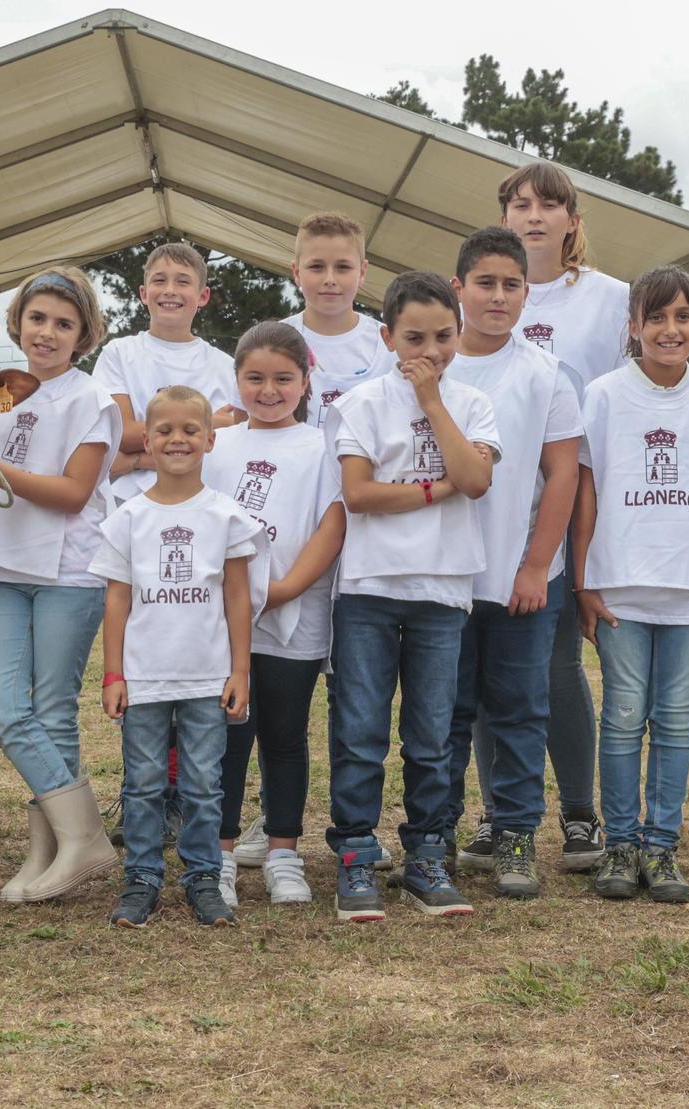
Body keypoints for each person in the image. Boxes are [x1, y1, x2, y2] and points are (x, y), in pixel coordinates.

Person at [327, 272, 498, 922]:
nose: (430, 349)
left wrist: (432, 401)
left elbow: (476, 477)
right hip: (369, 589)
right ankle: (355, 855)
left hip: (443, 588)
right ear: (387, 336)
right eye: (414, 337)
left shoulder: (472, 403)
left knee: (430, 734)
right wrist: (434, 490)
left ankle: (427, 853)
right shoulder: (361, 403)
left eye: (444, 336)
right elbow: (360, 494)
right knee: (360, 730)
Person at [574, 266, 689, 905]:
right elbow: (586, 491)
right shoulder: (603, 395)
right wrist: (584, 580)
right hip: (619, 581)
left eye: (683, 317)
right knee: (623, 715)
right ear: (634, 328)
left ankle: (661, 846)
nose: (669, 330)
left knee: (676, 719)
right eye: (656, 318)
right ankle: (619, 844)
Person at [0, 267, 122, 905]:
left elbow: (74, 493)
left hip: (71, 570)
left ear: (83, 335)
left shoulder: (92, 400)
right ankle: (76, 839)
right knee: (0, 705)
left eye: (63, 323)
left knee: (53, 711)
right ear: (18, 323)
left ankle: (57, 849)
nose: (47, 333)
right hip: (2, 567)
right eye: (37, 319)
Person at [436, 228, 581, 899]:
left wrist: (535, 564)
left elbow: (562, 476)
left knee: (521, 709)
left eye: (511, 284)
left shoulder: (546, 372)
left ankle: (517, 833)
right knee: (445, 713)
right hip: (440, 577)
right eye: (485, 282)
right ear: (458, 286)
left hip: (521, 580)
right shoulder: (429, 366)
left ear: (528, 292)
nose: (498, 296)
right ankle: (434, 831)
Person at [496, 161, 631, 872]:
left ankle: (581, 813)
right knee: (492, 662)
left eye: (549, 204)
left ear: (574, 219)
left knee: (554, 663)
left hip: (578, 498)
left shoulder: (611, 300)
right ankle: (494, 812)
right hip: (494, 506)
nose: (534, 215)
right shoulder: (485, 295)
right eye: (520, 204)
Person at [93, 386, 260, 928]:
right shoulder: (128, 517)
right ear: (146, 437)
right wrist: (113, 674)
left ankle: (204, 878)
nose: (177, 439)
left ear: (211, 440)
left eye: (191, 429)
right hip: (142, 678)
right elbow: (116, 600)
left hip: (207, 677)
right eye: (164, 429)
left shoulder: (226, 516)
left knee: (203, 786)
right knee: (142, 783)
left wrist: (240, 670)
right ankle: (141, 879)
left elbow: (238, 597)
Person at [204, 321, 346, 906]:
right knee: (228, 735)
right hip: (221, 620)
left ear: (306, 381)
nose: (268, 390)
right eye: (254, 378)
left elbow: (333, 522)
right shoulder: (219, 445)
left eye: (283, 379)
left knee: (286, 735)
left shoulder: (321, 447)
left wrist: (284, 589)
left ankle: (284, 851)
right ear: (235, 379)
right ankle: (220, 853)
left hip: (295, 613)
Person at [94, 241, 242, 506]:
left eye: (183, 282)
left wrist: (135, 461)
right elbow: (120, 436)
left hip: (204, 504)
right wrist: (211, 424)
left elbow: (227, 451)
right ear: (143, 292)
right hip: (127, 504)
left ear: (203, 296)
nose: (170, 291)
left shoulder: (226, 367)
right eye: (159, 280)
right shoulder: (118, 353)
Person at [286, 212, 395, 434]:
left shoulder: (388, 345)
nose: (329, 279)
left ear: (362, 271)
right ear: (297, 272)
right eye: (316, 267)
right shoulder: (274, 340)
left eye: (343, 267)